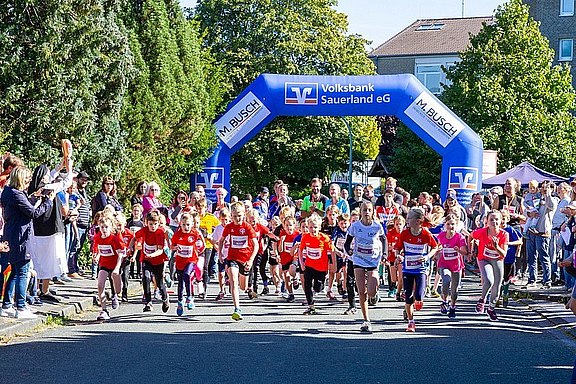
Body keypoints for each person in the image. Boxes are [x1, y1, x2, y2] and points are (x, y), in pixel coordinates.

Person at [0, 166, 54, 319]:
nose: (29, 181)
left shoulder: (9, 192)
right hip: (21, 236)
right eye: (27, 178)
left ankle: (7, 305)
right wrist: (47, 202)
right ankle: (21, 306)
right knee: (23, 272)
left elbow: (24, 206)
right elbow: (32, 213)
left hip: (12, 234)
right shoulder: (16, 194)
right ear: (20, 178)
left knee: (15, 271)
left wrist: (35, 197)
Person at [28, 160, 73, 301]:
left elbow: (50, 177)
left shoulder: (32, 188)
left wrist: (59, 167)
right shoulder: (49, 188)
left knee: (36, 261)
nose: (50, 176)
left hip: (36, 230)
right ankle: (43, 290)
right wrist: (69, 168)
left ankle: (37, 289)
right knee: (48, 261)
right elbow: (67, 182)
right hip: (49, 229)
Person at [344, 202, 387, 333]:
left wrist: (384, 254)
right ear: (361, 212)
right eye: (364, 210)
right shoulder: (355, 226)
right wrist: (349, 251)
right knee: (361, 291)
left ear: (373, 211)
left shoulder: (377, 226)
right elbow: (347, 242)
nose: (367, 212)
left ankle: (374, 294)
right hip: (358, 259)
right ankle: (366, 320)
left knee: (371, 292)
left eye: (369, 210)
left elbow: (384, 239)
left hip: (373, 260)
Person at [395, 207, 438, 332]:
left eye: (409, 218)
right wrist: (398, 255)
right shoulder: (404, 233)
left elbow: (435, 247)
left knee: (418, 295)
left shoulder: (425, 233)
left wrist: (427, 257)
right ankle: (411, 322)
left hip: (420, 270)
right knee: (408, 297)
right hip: (407, 269)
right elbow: (398, 248)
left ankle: (418, 301)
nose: (407, 220)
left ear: (418, 221)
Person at [218, 202, 259, 321]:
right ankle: (237, 309)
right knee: (233, 281)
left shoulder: (247, 227)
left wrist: (251, 260)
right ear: (231, 216)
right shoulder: (229, 227)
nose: (237, 218)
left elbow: (255, 245)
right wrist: (220, 253)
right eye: (235, 216)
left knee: (243, 286)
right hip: (232, 258)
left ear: (244, 214)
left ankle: (247, 288)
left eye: (239, 215)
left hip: (245, 260)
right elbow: (221, 240)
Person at [469, 209, 509, 321]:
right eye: (491, 219)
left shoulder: (504, 234)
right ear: (487, 221)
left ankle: (491, 308)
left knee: (497, 285)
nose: (494, 222)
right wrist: (470, 251)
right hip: (484, 258)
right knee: (489, 280)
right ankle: (482, 299)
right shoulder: (482, 232)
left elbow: (504, 254)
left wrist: (496, 246)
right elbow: (471, 236)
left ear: (501, 221)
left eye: (497, 219)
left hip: (497, 259)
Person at [133, 210, 169, 313]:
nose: (153, 226)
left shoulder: (160, 233)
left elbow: (160, 250)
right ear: (146, 223)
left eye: (155, 224)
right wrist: (130, 247)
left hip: (158, 260)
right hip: (146, 260)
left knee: (159, 283)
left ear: (158, 223)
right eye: (150, 224)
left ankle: (165, 299)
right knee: (146, 277)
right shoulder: (144, 230)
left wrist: (151, 255)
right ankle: (148, 302)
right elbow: (134, 237)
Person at [298, 214, 334, 315]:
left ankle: (320, 286)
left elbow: (331, 251)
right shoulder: (305, 237)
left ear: (319, 227)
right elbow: (300, 251)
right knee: (307, 285)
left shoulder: (324, 238)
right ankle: (311, 306)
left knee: (318, 287)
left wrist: (332, 265)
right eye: (310, 227)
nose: (313, 229)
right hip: (309, 265)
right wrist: (302, 263)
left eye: (315, 227)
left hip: (321, 268)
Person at [171, 212, 204, 316]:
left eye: (188, 225)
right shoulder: (177, 234)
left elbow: (202, 242)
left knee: (187, 275)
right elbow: (172, 246)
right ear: (180, 224)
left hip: (191, 260)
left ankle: (190, 297)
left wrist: (199, 250)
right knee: (180, 282)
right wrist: (175, 248)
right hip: (180, 260)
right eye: (184, 224)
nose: (186, 227)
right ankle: (180, 301)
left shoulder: (195, 233)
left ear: (192, 224)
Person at [92, 215, 124, 320]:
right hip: (104, 265)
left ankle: (116, 296)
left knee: (118, 290)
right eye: (102, 227)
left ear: (111, 228)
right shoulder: (97, 237)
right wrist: (96, 256)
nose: (104, 230)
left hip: (115, 266)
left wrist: (117, 268)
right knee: (100, 285)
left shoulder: (114, 239)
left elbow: (120, 255)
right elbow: (98, 249)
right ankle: (104, 310)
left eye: (106, 227)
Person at [526, 181, 557, 289]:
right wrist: (530, 213)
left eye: (546, 187)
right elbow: (526, 209)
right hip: (531, 231)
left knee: (544, 257)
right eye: (542, 187)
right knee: (531, 258)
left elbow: (551, 206)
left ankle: (547, 280)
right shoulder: (536, 197)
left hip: (543, 232)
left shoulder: (553, 199)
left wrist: (547, 194)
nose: (543, 189)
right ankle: (531, 280)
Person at [436, 214, 468, 318]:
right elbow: (437, 247)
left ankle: (453, 307)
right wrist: (438, 251)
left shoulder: (460, 237)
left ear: (456, 225)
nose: (451, 226)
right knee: (446, 280)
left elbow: (465, 252)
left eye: (453, 224)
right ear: (445, 225)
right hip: (444, 263)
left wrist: (459, 250)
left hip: (456, 265)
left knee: (455, 290)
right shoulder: (441, 235)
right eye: (448, 224)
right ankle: (444, 301)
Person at [500, 210, 522, 308]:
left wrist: (509, 243)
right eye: (501, 219)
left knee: (506, 277)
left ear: (508, 219)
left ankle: (505, 293)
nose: (502, 221)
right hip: (498, 257)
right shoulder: (495, 229)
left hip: (509, 257)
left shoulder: (510, 230)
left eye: (504, 219)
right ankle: (496, 296)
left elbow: (519, 241)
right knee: (498, 277)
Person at [212, 208, 231, 301]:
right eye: (223, 220)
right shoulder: (218, 228)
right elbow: (214, 240)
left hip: (231, 254)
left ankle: (231, 283)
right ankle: (222, 290)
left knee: (229, 271)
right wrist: (218, 250)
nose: (224, 222)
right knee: (221, 273)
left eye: (226, 220)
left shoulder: (232, 227)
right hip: (222, 253)